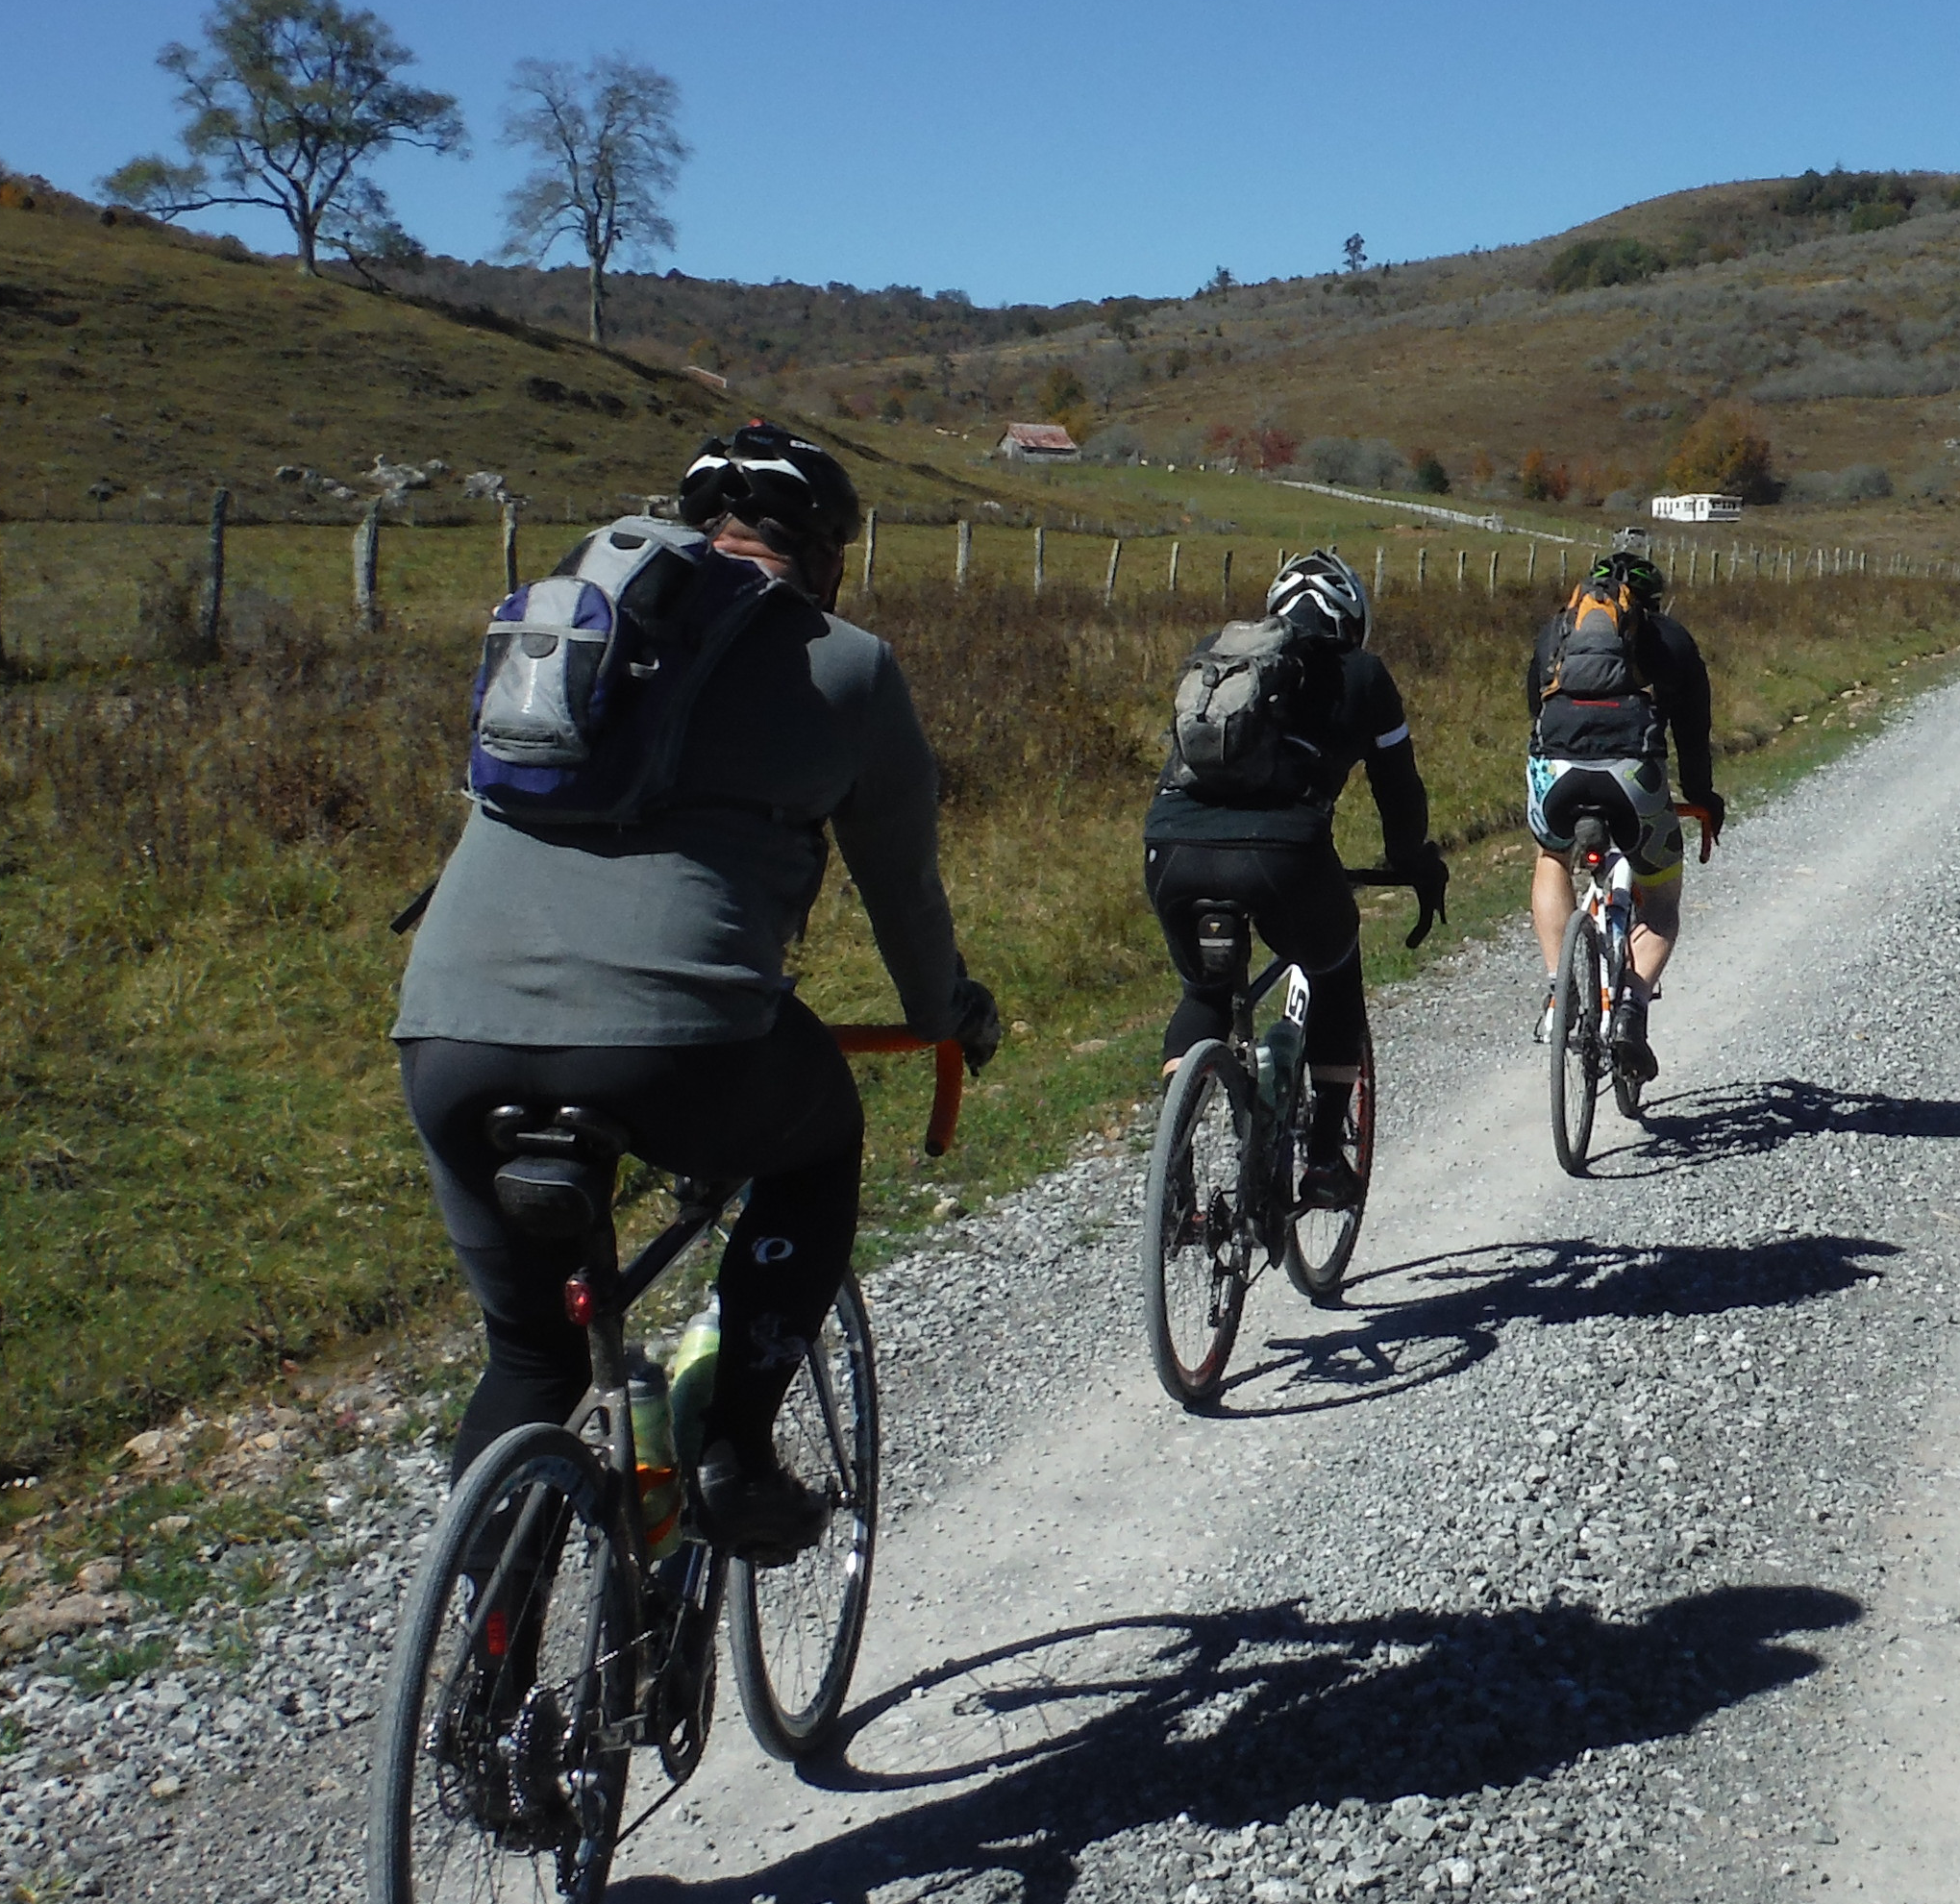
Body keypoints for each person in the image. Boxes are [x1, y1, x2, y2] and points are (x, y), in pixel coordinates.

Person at [391, 419, 1000, 1564]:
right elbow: (902, 891)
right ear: (824, 556)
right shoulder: (846, 662)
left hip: (447, 1032)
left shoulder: (578, 637)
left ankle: (485, 1680)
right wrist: (940, 1014)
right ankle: (732, 1444)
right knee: (817, 1144)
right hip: (682, 1043)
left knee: (529, 1357)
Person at [1142, 551, 1449, 1206]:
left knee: (1205, 993)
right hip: (1284, 856)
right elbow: (1400, 793)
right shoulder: (1364, 674)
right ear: (1353, 620)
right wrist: (1413, 862)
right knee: (1334, 965)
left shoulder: (1216, 656)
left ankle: (1173, 1157)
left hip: (1170, 848)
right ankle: (1324, 1157)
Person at [1525, 541, 1723, 1085]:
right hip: (1632, 777)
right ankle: (1631, 1012)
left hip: (1557, 770)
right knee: (1660, 900)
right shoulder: (1672, 639)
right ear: (1652, 602)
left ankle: (1557, 991)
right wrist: (1701, 797)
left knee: (1550, 858)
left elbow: (1534, 708)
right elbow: (1693, 733)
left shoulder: (1557, 630)